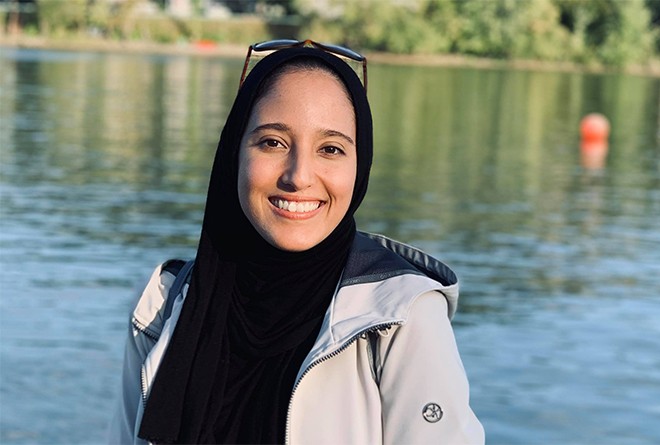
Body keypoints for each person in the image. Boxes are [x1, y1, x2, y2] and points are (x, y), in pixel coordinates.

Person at [109, 40, 484, 445]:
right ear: (235, 149)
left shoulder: (400, 317)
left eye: (331, 148)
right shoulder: (167, 304)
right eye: (273, 142)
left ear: (361, 165)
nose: (299, 176)